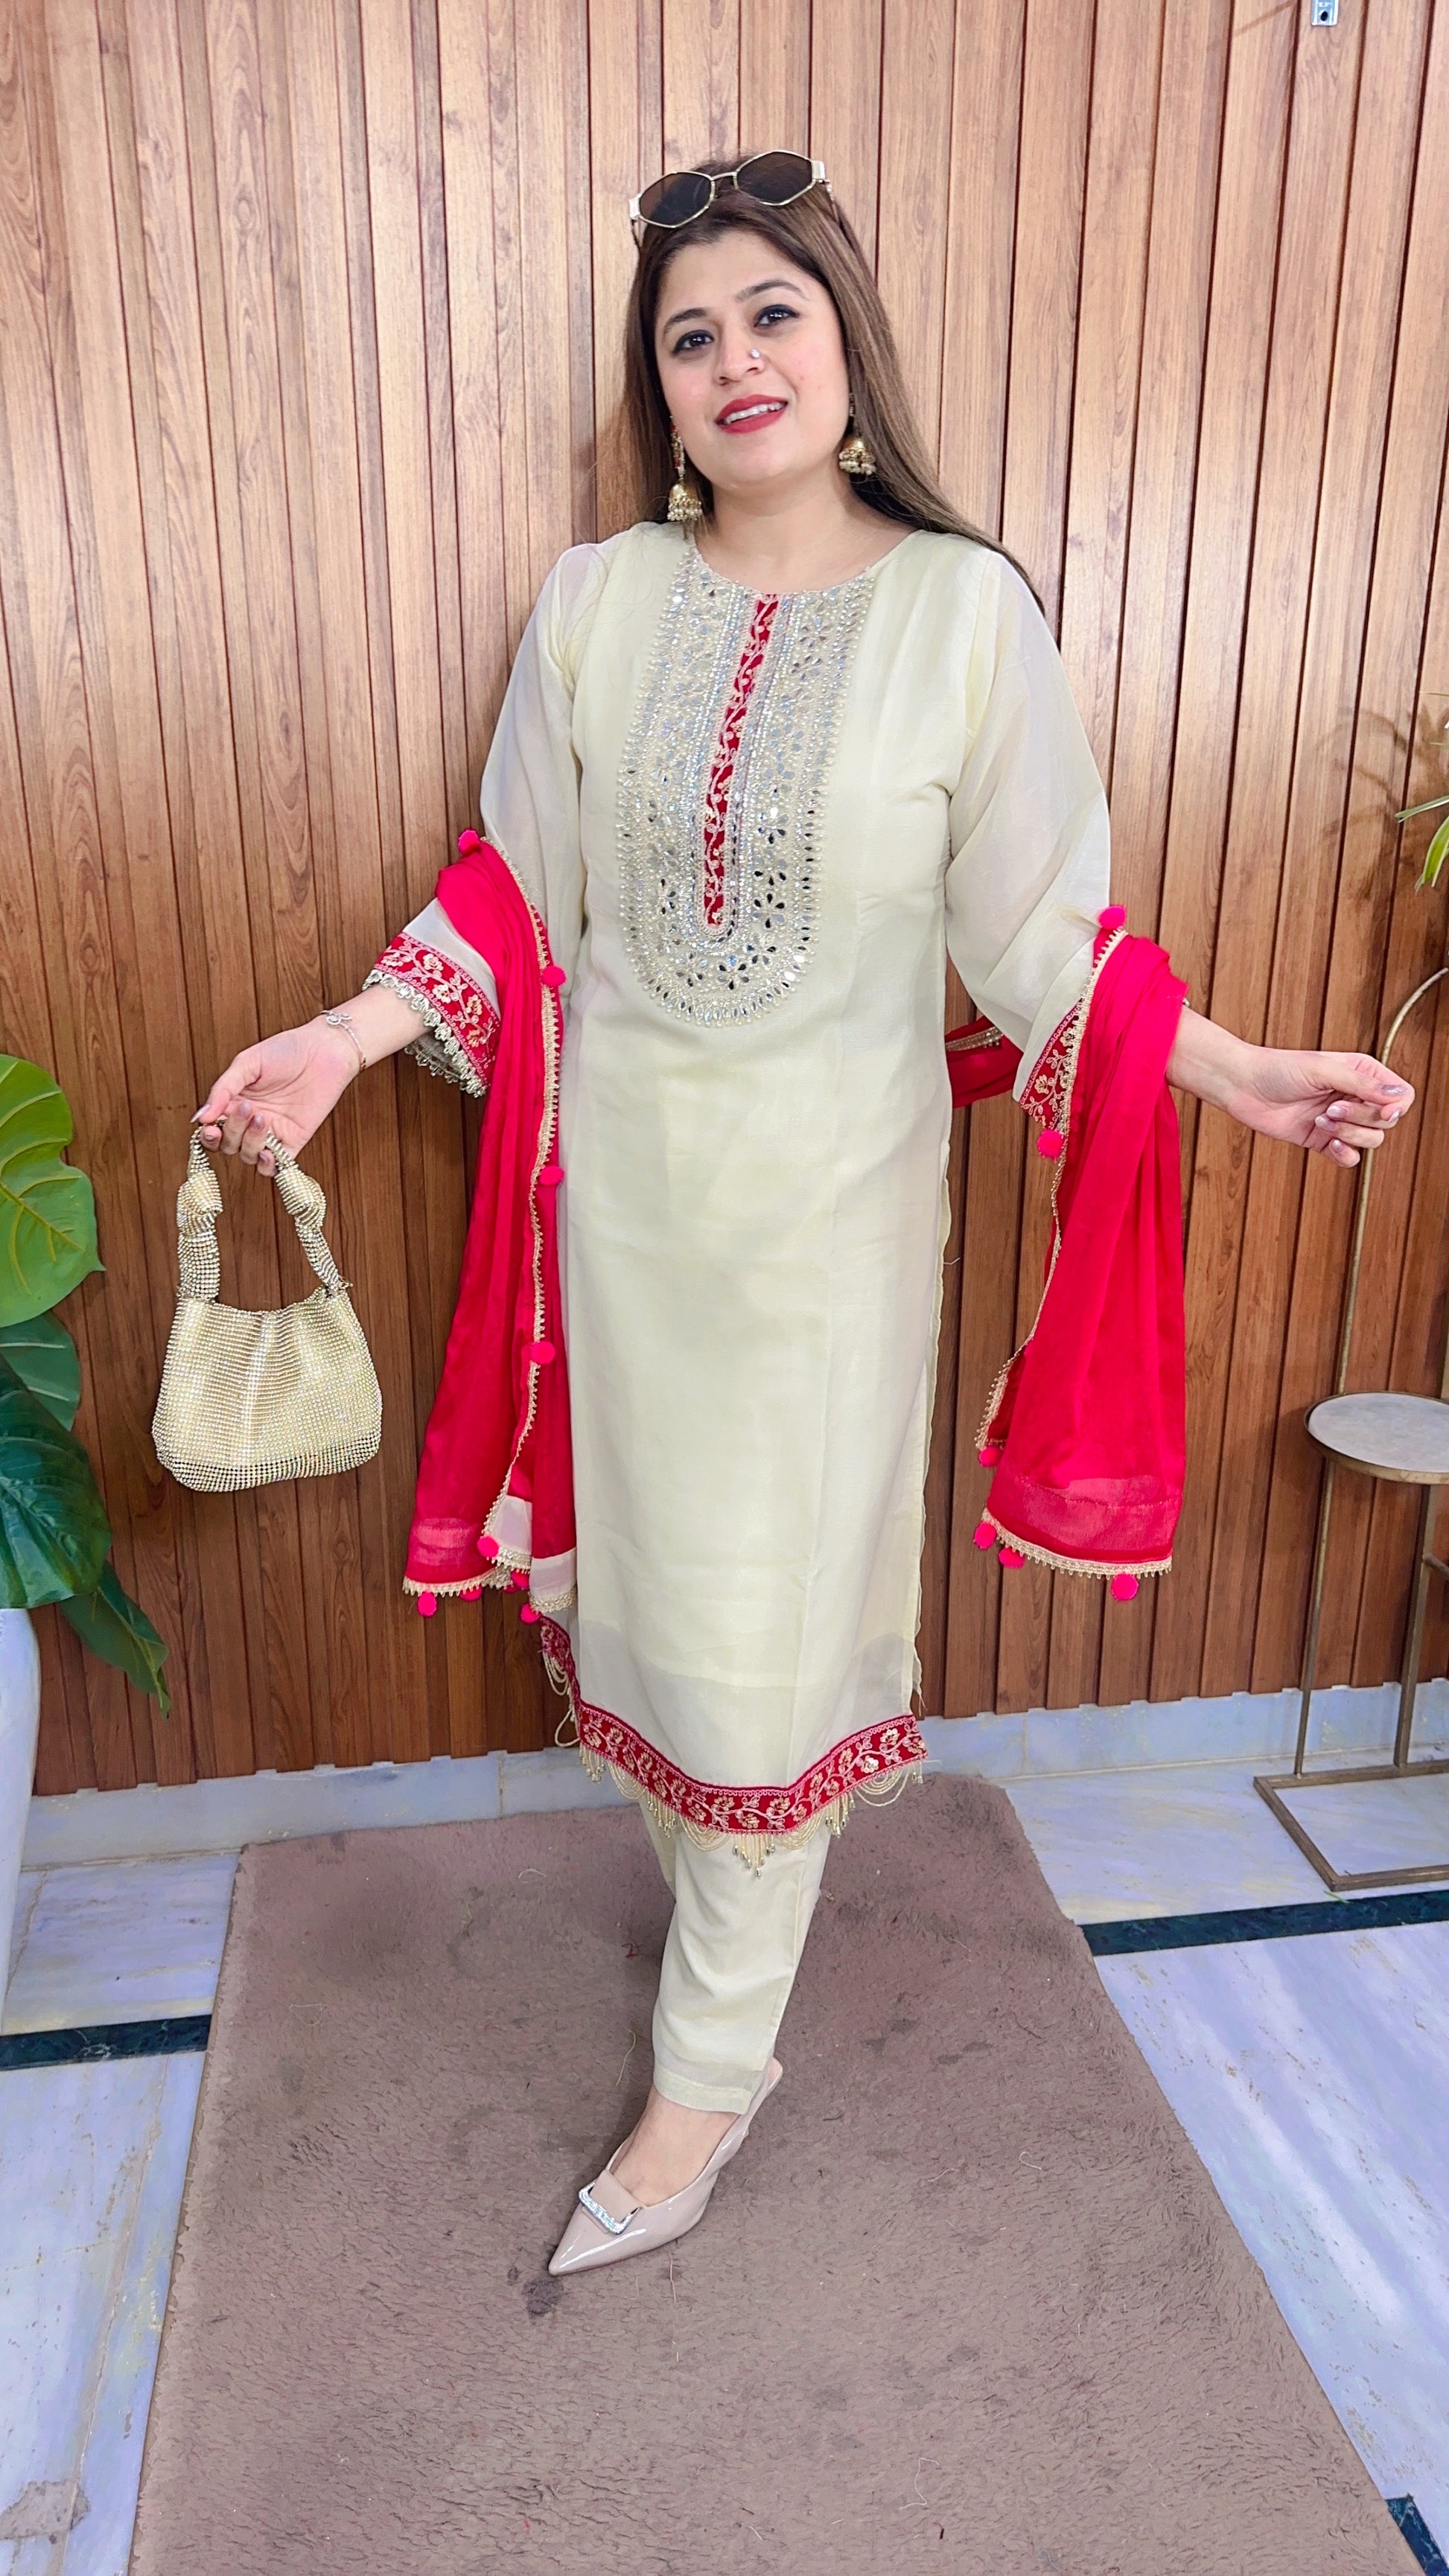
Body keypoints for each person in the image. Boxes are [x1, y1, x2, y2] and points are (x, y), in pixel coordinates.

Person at [196, 152, 1413, 2277]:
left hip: (830, 1240)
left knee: (767, 1653)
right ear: (657, 388)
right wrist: (343, 1037)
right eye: (690, 334)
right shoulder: (596, 603)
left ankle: (709, 2067)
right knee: (673, 1626)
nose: (733, 359)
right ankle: (724, 1918)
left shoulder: (961, 614)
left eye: (771, 312)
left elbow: (1042, 940)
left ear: (845, 342)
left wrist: (1234, 1070)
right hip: (620, 1230)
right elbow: (517, 888)